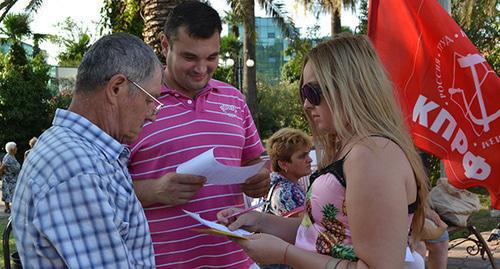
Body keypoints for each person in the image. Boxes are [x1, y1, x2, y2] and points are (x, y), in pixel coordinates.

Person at [217, 33, 429, 269]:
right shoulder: (354, 149)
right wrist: (259, 221)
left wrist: (285, 254)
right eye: (304, 94)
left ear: (350, 87)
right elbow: (321, 232)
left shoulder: (372, 155)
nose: (307, 104)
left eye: (314, 92)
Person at [127, 1, 269, 268]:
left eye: (212, 58)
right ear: (165, 45)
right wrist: (154, 190)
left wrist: (259, 179)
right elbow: (103, 187)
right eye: (190, 57)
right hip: (159, 262)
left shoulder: (234, 99)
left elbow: (255, 161)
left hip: (234, 260)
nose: (201, 68)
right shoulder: (136, 102)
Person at [11, 32, 163, 268]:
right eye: (150, 99)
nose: (153, 113)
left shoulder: (81, 154)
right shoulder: (77, 167)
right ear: (116, 88)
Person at [265, 128, 312, 217]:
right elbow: (303, 228)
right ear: (283, 164)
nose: (310, 160)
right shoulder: (288, 193)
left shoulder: (279, 186)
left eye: (308, 154)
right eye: (302, 156)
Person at [0, 142, 20, 213]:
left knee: (9, 194)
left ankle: (8, 208)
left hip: (13, 179)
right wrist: (2, 176)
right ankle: (8, 208)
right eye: (15, 147)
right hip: (9, 180)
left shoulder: (12, 156)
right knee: (10, 194)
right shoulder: (8, 157)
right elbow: (1, 168)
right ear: (12, 149)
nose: (16, 149)